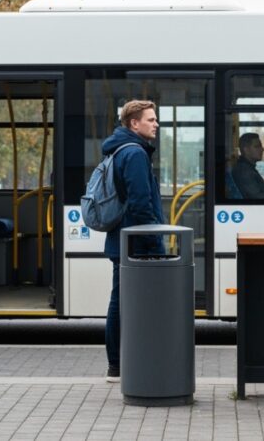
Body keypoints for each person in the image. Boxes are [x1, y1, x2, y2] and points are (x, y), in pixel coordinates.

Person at [102, 100, 165, 383]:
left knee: (121, 299)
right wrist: (154, 241)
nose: (156, 124)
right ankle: (117, 365)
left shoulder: (121, 149)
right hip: (135, 242)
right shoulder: (135, 154)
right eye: (151, 119)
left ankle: (118, 364)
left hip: (123, 238)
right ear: (133, 123)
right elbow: (141, 204)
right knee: (123, 302)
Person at [231, 133, 264, 199]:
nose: (262, 149)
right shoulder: (244, 171)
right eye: (257, 146)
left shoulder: (249, 168)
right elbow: (257, 198)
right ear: (246, 150)